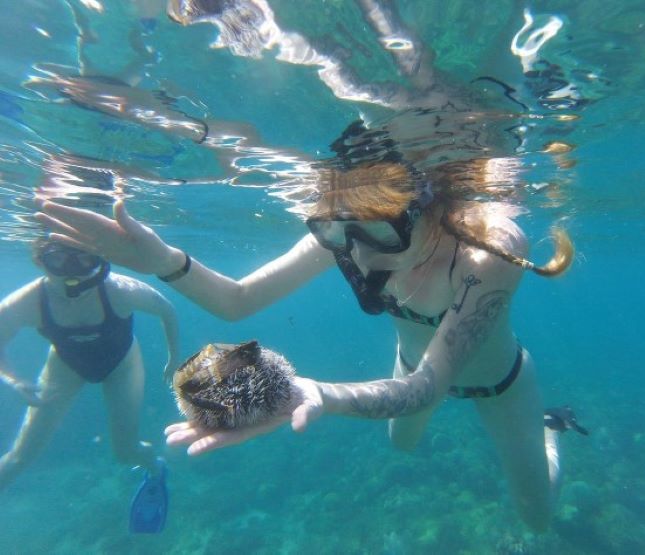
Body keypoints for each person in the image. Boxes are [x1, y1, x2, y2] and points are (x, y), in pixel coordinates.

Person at [37, 156, 585, 532]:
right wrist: (165, 263)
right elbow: (238, 299)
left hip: (500, 384)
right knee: (402, 446)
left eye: (379, 236)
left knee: (536, 516)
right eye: (341, 233)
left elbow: (426, 388)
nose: (360, 257)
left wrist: (318, 392)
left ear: (429, 208)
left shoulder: (486, 250)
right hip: (408, 366)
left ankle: (547, 434)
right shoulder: (349, 227)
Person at [0, 237, 179, 533]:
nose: (73, 271)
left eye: (85, 260)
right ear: (39, 261)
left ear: (99, 260)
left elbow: (167, 309)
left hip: (122, 366)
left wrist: (173, 358)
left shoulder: (119, 290)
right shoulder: (27, 302)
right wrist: (15, 380)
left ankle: (155, 468)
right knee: (20, 456)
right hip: (64, 368)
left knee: (125, 451)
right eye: (58, 260)